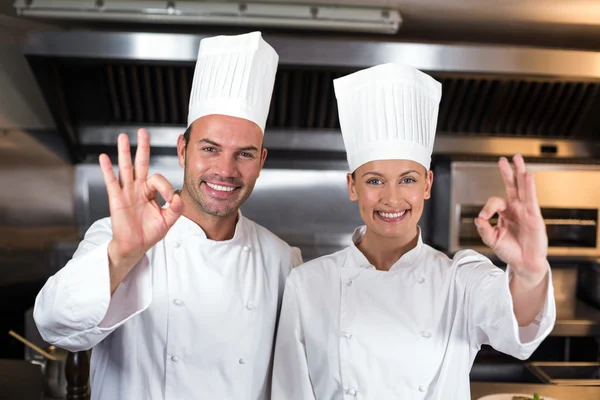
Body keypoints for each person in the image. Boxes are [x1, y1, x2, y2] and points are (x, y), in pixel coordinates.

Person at [33, 31, 302, 400]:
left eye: (244, 153)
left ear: (261, 162)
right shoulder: (117, 237)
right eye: (210, 148)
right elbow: (53, 325)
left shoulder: (282, 260)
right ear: (183, 149)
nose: (225, 170)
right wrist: (122, 255)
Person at [271, 63, 556, 399]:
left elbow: (518, 330)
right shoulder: (308, 283)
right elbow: (290, 392)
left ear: (427, 184)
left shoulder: (459, 279)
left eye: (408, 179)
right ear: (352, 186)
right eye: (374, 181)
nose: (392, 198)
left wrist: (529, 273)